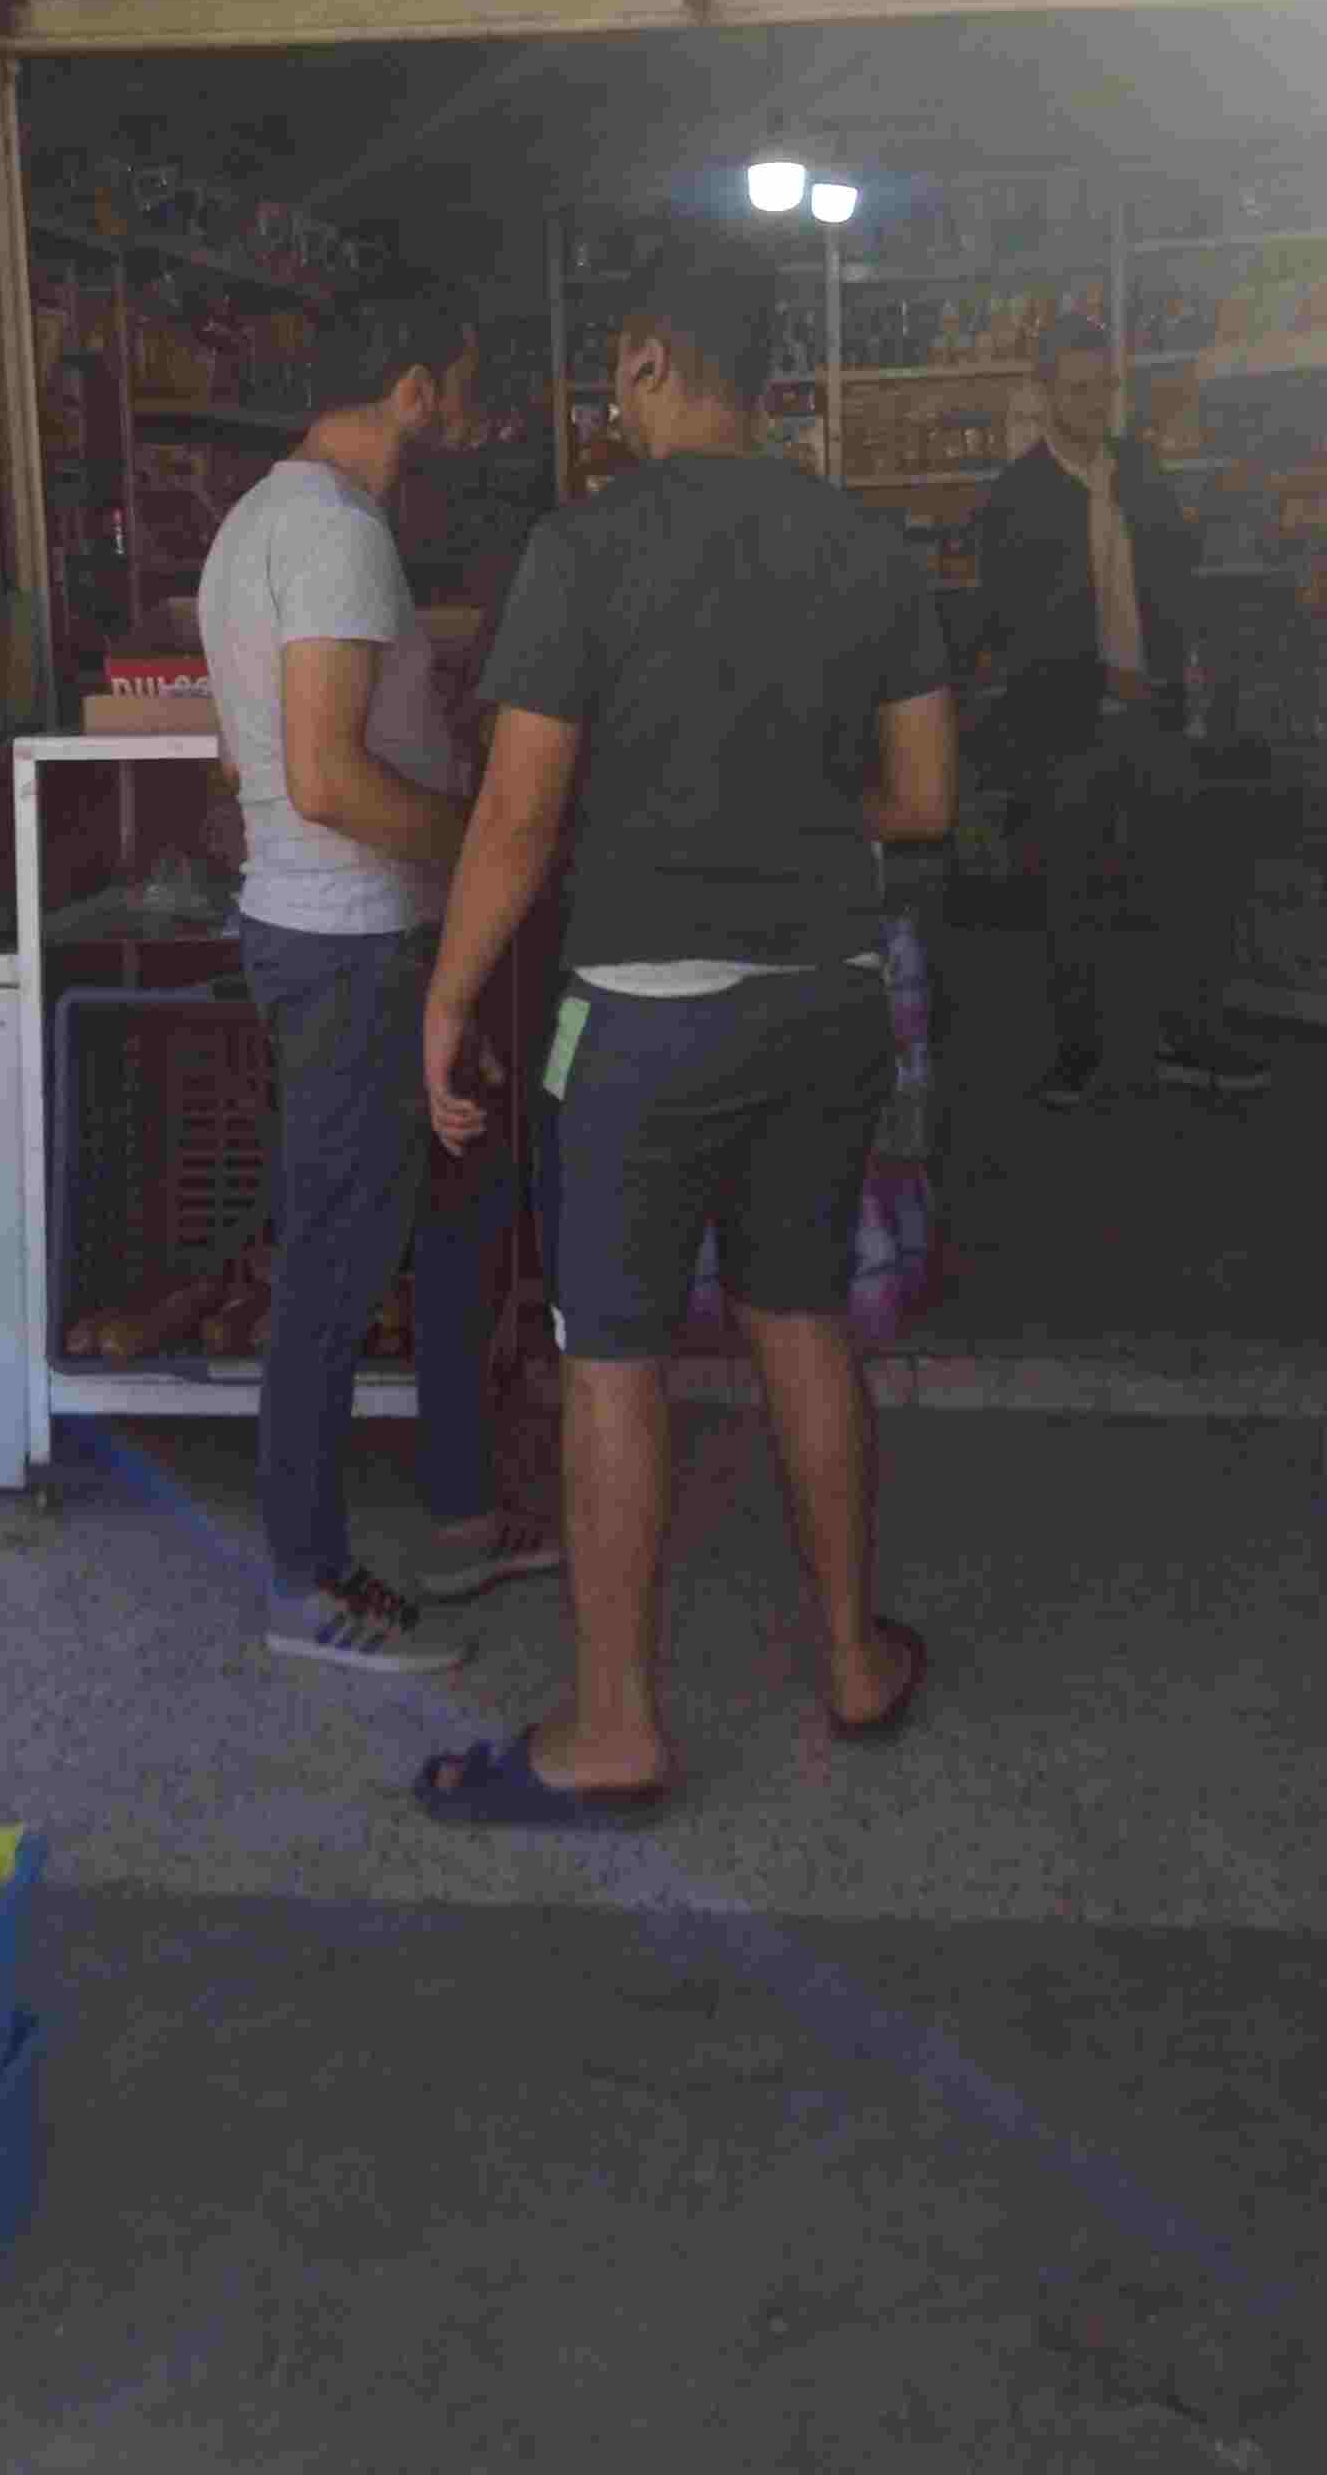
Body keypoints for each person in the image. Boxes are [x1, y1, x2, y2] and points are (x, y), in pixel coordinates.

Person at [404, 242, 959, 1825]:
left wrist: (447, 999)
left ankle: (614, 1728)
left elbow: (518, 815)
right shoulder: (866, 545)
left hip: (643, 1026)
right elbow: (925, 801)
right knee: (802, 1319)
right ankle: (852, 1659)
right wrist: (790, 821)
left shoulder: (584, 549)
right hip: (828, 1000)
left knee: (613, 1356)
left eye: (618, 371)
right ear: (767, 374)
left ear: (647, 359)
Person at [197, 283, 562, 1675]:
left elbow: (248, 766)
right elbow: (327, 778)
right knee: (338, 1261)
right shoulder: (337, 533)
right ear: (415, 389)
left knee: (456, 1210)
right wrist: (487, 844)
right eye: (464, 382)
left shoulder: (262, 522)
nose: (476, 411)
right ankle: (304, 1580)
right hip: (350, 942)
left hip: (358, 930)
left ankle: (463, 1512)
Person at [976, 313, 1271, 1112]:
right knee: (1069, 895)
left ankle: (1188, 1037)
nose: (1092, 402)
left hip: (1154, 716)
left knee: (1182, 883)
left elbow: (1176, 580)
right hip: (1065, 726)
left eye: (1101, 387)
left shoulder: (1140, 472)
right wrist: (1101, 674)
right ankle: (1077, 1055)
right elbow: (1009, 626)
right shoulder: (1017, 498)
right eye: (1076, 389)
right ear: (1045, 394)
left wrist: (1184, 669)